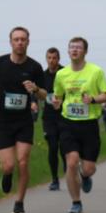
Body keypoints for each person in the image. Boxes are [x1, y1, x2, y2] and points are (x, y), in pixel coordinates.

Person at [0, 27, 47, 213]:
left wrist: (36, 89)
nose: (20, 42)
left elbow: (46, 95)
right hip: (3, 122)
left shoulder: (34, 67)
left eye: (23, 39)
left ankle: (19, 202)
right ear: (10, 42)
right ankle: (6, 174)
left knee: (22, 161)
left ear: (28, 42)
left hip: (24, 121)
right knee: (9, 165)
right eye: (16, 39)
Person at [51, 36, 106, 213]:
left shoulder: (96, 71)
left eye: (78, 47)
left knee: (88, 168)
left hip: (89, 125)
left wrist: (93, 99)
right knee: (71, 162)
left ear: (85, 51)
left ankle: (85, 176)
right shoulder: (61, 74)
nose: (75, 50)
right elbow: (58, 97)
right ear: (68, 51)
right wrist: (56, 102)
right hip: (68, 123)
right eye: (71, 47)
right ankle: (76, 203)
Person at [40, 47, 66, 191]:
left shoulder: (65, 73)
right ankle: (54, 179)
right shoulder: (42, 76)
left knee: (64, 148)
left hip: (64, 116)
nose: (52, 61)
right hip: (49, 118)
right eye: (49, 58)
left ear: (58, 59)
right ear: (46, 59)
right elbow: (36, 91)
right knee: (53, 147)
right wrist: (33, 103)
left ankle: (68, 173)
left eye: (54, 58)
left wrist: (62, 101)